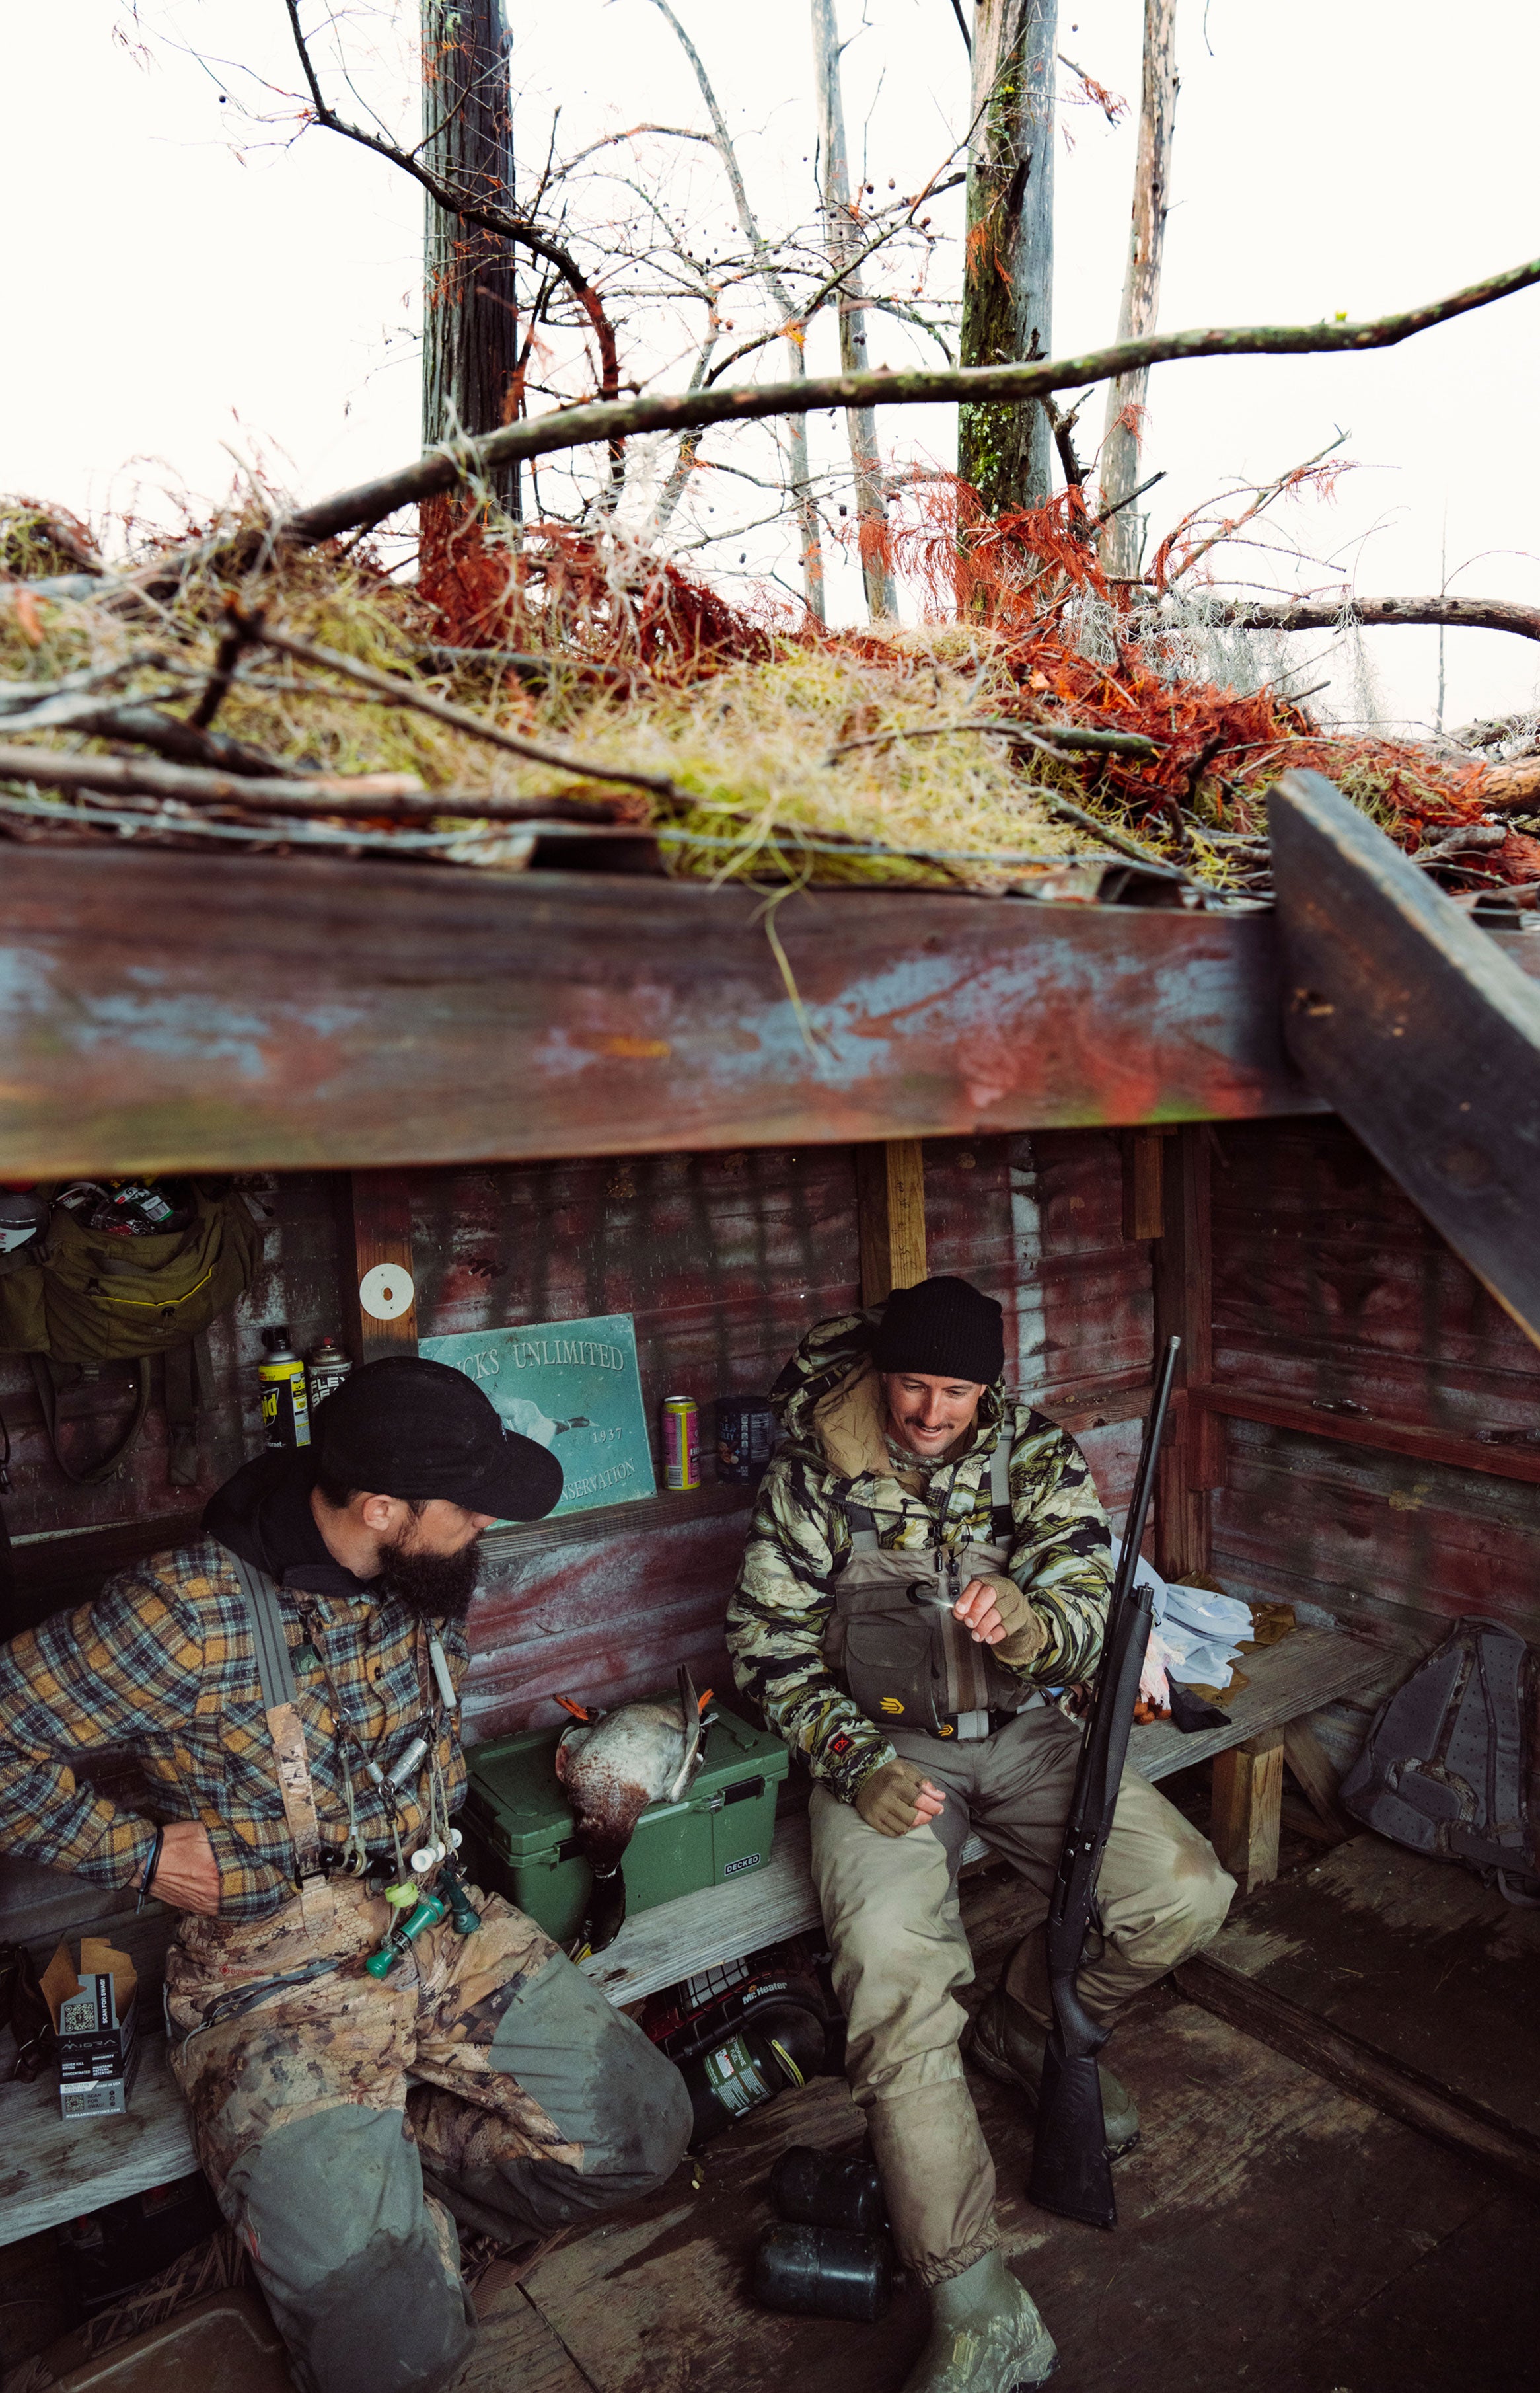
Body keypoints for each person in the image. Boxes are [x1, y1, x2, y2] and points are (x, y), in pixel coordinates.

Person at [0, 1357, 691, 2393]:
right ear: (378, 1506)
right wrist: (134, 1853)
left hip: (437, 1917)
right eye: (470, 1510)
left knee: (649, 2132)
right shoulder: (190, 1613)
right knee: (396, 2356)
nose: (486, 1529)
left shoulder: (418, 1567)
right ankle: (373, 2252)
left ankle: (390, 2193)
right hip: (271, 1975)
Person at [727, 1277, 1234, 2393]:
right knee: (894, 1985)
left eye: (955, 1390)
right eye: (912, 1383)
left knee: (1186, 1890)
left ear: (987, 1387)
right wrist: (855, 1764)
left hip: (1021, 1736)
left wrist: (1037, 1626)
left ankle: (1018, 2023)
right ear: (882, 1373)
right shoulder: (819, 1463)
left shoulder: (1035, 1455)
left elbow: (1088, 1610)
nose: (929, 1410)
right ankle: (977, 2301)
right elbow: (765, 1648)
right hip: (879, 1759)